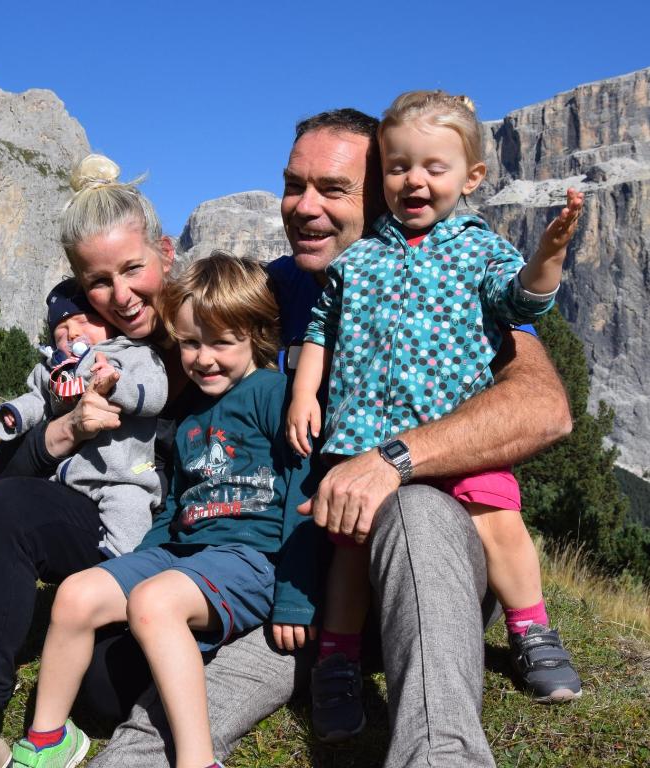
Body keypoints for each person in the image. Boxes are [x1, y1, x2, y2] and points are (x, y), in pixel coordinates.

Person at [89, 109, 573, 768]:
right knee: (165, 718)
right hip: (301, 580)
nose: (303, 208)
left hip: (418, 568)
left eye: (332, 190)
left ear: (382, 197)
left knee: (416, 507)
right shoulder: (272, 290)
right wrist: (89, 337)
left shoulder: (456, 276)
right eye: (294, 185)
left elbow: (544, 407)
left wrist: (392, 460)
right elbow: (181, 353)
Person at [285, 91, 583, 740]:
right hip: (360, 435)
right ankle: (336, 660)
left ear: (472, 178)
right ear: (381, 177)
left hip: (452, 436)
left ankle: (531, 629)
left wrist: (548, 256)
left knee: (499, 523)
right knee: (350, 554)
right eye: (397, 168)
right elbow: (321, 328)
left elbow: (521, 304)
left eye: (433, 167)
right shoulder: (358, 260)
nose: (413, 180)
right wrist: (306, 393)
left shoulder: (481, 250)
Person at [8, 253, 320, 768]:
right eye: (192, 343)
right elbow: (175, 502)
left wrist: (294, 598)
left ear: (256, 335)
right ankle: (48, 741)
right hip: (183, 553)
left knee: (154, 603)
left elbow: (301, 492)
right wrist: (136, 564)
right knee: (76, 594)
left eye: (222, 342)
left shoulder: (274, 394)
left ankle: (197, 760)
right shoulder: (189, 414)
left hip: (250, 558)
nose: (204, 359)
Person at [0, 152, 181, 768]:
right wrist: (64, 428)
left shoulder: (207, 332)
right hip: (114, 538)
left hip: (185, 552)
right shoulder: (81, 353)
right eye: (98, 282)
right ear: (78, 285)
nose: (121, 296)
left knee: (103, 687)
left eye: (134, 269)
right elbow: (4, 479)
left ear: (166, 254)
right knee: (10, 504)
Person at [0, 276, 167, 557]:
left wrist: (117, 384)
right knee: (18, 504)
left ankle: (120, 566)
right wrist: (16, 414)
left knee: (131, 509)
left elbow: (155, 394)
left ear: (110, 322)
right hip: (69, 478)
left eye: (84, 322)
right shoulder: (52, 370)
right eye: (61, 331)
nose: (72, 334)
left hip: (123, 476)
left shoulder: (131, 355)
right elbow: (38, 398)